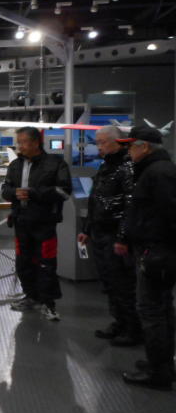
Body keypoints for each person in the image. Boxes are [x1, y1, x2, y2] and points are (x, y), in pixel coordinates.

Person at [117, 125, 176, 390]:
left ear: (144, 147)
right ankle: (163, 364)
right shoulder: (156, 170)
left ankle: (158, 372)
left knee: (152, 311)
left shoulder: (158, 173)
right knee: (161, 309)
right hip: (157, 250)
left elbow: (169, 214)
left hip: (157, 252)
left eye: (131, 146)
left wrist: (156, 248)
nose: (128, 151)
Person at [77, 125, 141, 346]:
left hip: (115, 234)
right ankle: (120, 322)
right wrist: (87, 229)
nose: (99, 147)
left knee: (122, 282)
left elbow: (130, 205)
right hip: (101, 233)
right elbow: (95, 200)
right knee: (109, 281)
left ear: (117, 142)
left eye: (103, 142)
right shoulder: (106, 167)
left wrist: (123, 237)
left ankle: (132, 328)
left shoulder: (127, 167)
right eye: (97, 142)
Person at [2, 127, 73, 321]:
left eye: (23, 142)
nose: (20, 146)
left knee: (46, 263)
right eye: (18, 142)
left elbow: (64, 191)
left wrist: (34, 193)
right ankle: (31, 296)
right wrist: (13, 193)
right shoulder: (15, 165)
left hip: (44, 223)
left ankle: (48, 303)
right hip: (21, 222)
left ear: (35, 143)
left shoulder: (56, 164)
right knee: (23, 262)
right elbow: (5, 189)